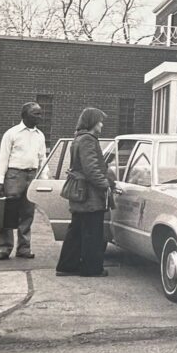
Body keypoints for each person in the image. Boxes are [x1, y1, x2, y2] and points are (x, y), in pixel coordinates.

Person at [55, 107, 115, 277]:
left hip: (80, 192)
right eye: (100, 121)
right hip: (90, 194)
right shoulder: (89, 140)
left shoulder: (78, 139)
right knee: (92, 231)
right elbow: (92, 169)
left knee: (76, 231)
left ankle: (66, 267)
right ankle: (91, 269)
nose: (102, 125)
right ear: (92, 123)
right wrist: (106, 185)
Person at [0, 102, 47, 260]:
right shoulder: (12, 133)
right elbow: (3, 158)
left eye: (40, 113)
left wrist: (43, 180)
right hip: (14, 175)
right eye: (35, 114)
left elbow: (42, 158)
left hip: (32, 175)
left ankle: (24, 248)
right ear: (24, 115)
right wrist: (0, 181)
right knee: (9, 212)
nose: (39, 117)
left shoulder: (40, 135)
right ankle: (4, 247)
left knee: (27, 213)